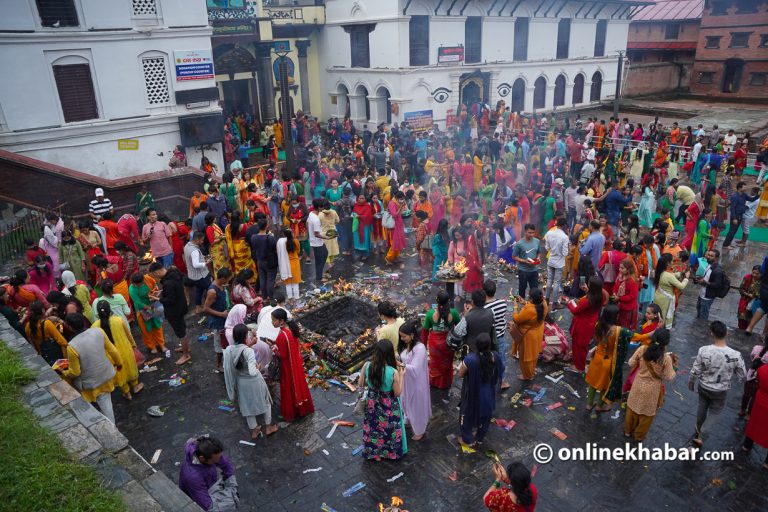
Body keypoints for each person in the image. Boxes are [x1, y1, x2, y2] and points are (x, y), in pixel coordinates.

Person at [585, 306, 651, 416]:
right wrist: (655, 331)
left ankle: (588, 404)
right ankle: (599, 406)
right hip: (609, 362)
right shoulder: (619, 331)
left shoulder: (598, 325)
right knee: (604, 386)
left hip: (597, 359)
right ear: (615, 316)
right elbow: (639, 337)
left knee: (592, 383)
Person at [688, 321, 746, 446]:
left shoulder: (704, 350)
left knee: (702, 407)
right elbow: (743, 375)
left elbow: (696, 370)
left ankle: (698, 428)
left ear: (712, 334)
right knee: (715, 412)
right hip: (721, 390)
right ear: (727, 333)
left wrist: (691, 382)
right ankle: (703, 433)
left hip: (704, 386)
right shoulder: (736, 355)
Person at [58, 313, 122, 424]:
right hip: (104, 376)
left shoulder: (72, 346)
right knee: (106, 405)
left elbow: (75, 372)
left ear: (69, 327)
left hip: (88, 383)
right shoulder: (98, 331)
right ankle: (112, 428)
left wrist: (63, 371)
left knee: (90, 409)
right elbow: (113, 351)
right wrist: (119, 363)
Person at [224, 324, 277, 440]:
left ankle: (255, 430)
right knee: (266, 402)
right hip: (254, 381)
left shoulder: (229, 350)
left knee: (247, 406)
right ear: (245, 336)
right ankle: (268, 427)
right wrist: (257, 366)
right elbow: (253, 371)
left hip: (241, 383)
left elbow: (239, 352)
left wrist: (251, 344)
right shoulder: (248, 352)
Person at [624, 328, 677, 442]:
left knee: (632, 408)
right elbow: (669, 376)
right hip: (652, 389)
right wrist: (674, 366)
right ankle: (638, 436)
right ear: (666, 343)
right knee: (646, 415)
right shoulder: (666, 358)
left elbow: (630, 363)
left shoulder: (642, 349)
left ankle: (628, 431)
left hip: (638, 384)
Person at [358, 339, 407, 460]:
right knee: (389, 429)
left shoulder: (367, 365)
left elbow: (360, 383)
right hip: (388, 405)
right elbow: (397, 393)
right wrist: (401, 376)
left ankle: (375, 453)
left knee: (373, 427)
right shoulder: (393, 372)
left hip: (372, 402)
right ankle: (389, 453)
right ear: (390, 354)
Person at [458, 333, 505, 447]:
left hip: (473, 395)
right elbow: (501, 368)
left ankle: (467, 440)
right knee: (486, 417)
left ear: (476, 345)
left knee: (467, 417)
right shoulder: (495, 356)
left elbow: (460, 374)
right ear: (489, 345)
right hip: (489, 393)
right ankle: (479, 438)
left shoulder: (470, 359)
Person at [93, 301, 143, 400]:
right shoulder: (119, 320)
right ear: (109, 310)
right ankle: (135, 386)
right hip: (125, 350)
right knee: (130, 368)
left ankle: (126, 392)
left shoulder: (94, 326)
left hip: (110, 355)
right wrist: (133, 345)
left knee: (119, 373)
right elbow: (128, 334)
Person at [271, 308, 314, 421]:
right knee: (299, 385)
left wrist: (273, 348)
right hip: (296, 363)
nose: (272, 322)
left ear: (281, 321)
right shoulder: (291, 329)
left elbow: (282, 355)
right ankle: (302, 408)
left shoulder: (282, 335)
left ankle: (293, 411)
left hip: (288, 367)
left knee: (290, 387)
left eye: (274, 320)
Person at [179, 437, 239, 512]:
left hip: (208, 483)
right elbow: (207, 505)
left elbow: (226, 465)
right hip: (196, 494)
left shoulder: (209, 451)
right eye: (214, 461)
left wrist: (232, 483)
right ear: (202, 458)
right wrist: (230, 501)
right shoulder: (192, 477)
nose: (218, 461)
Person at [398, 319, 431, 441]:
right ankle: (407, 419)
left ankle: (419, 430)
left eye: (404, 336)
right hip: (406, 380)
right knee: (405, 400)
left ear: (412, 335)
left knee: (416, 405)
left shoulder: (420, 348)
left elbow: (416, 368)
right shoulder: (406, 345)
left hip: (416, 382)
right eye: (400, 336)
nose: (402, 339)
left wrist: (400, 364)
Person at [568, 277, 607, 373]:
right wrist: (588, 291)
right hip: (591, 322)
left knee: (579, 346)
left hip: (582, 324)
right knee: (584, 345)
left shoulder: (587, 301)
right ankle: (580, 362)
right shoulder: (601, 295)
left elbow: (575, 310)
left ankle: (579, 367)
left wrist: (570, 303)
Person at [422, 291, 460, 389]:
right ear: (449, 301)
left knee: (435, 364)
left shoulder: (430, 313)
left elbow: (425, 331)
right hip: (448, 344)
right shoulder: (454, 313)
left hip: (434, 345)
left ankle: (434, 383)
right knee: (447, 365)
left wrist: (423, 345)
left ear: (437, 301)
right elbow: (460, 328)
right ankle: (444, 384)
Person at [510, 288, 547, 381]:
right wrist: (525, 303)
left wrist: (515, 307)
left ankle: (527, 375)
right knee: (534, 354)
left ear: (531, 299)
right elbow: (535, 308)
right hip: (538, 332)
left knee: (525, 357)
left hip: (528, 336)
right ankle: (531, 370)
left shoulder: (529, 310)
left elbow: (516, 319)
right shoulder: (544, 304)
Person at [129, 271, 166, 355]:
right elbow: (138, 303)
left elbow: (154, 283)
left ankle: (162, 344)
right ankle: (152, 346)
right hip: (142, 309)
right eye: (135, 284)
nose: (136, 285)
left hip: (152, 303)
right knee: (146, 328)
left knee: (157, 325)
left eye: (138, 284)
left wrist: (155, 290)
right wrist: (151, 309)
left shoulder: (146, 278)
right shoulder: (132, 289)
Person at [160, 265, 191, 365]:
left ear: (157, 272)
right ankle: (185, 348)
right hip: (181, 308)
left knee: (181, 333)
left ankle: (186, 355)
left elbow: (170, 300)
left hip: (174, 312)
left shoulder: (168, 282)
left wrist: (159, 299)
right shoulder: (175, 276)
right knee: (182, 328)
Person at [203, 268, 232, 373]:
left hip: (224, 320)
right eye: (227, 279)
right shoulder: (212, 291)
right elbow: (205, 308)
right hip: (218, 322)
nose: (228, 281)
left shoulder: (220, 285)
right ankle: (219, 364)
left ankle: (226, 361)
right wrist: (221, 314)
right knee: (220, 346)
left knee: (226, 342)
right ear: (222, 278)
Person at [742, 361, 768, 469]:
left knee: (754, 423)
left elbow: (757, 378)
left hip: (761, 401)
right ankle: (767, 462)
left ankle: (746, 446)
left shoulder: (764, 369)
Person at [24, 300, 68, 365]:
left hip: (43, 354)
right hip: (54, 354)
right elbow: (61, 341)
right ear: (42, 310)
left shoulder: (28, 326)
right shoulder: (47, 324)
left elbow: (31, 342)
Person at [653, 253, 690, 327]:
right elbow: (681, 286)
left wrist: (681, 273)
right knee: (663, 316)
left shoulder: (661, 272)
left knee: (658, 315)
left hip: (658, 296)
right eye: (672, 261)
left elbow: (674, 275)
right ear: (668, 263)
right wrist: (686, 278)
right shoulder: (668, 275)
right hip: (665, 300)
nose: (673, 263)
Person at [183, 231, 212, 313]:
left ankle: (198, 307)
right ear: (197, 239)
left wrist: (203, 257)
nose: (202, 242)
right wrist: (206, 263)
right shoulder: (194, 251)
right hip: (200, 275)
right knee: (210, 289)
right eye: (202, 240)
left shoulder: (187, 246)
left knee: (199, 290)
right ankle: (210, 306)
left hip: (192, 275)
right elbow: (195, 264)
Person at [543, 217, 569, 306]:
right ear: (565, 225)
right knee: (556, 282)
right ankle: (554, 303)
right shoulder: (565, 237)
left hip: (551, 260)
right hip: (559, 263)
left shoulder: (549, 233)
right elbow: (565, 253)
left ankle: (546, 298)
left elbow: (546, 247)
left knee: (549, 280)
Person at [249, 219, 278, 299]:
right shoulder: (270, 237)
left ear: (258, 227)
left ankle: (264, 297)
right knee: (270, 280)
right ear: (267, 226)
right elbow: (274, 247)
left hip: (259, 261)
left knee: (262, 278)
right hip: (270, 261)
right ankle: (271, 297)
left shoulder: (253, 237)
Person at [694, 249, 726, 321]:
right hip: (702, 294)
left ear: (716, 258)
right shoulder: (709, 265)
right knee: (698, 309)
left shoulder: (718, 270)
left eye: (711, 256)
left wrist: (705, 282)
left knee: (703, 315)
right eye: (708, 255)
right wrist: (700, 279)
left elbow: (717, 285)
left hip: (707, 296)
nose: (708, 257)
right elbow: (707, 278)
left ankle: (701, 329)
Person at [740, 337, 768, 418]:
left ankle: (742, 410)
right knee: (754, 398)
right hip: (760, 379)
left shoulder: (756, 348)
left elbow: (752, 357)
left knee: (746, 395)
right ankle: (749, 415)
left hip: (750, 377)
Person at [511, 224, 541, 298]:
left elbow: (539, 252)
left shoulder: (537, 241)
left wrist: (539, 258)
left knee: (535, 290)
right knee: (522, 289)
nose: (531, 235)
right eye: (529, 233)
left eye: (533, 233)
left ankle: (533, 305)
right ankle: (522, 305)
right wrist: (524, 261)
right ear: (525, 232)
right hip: (523, 271)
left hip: (534, 270)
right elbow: (514, 256)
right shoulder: (519, 244)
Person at [225, 211, 254, 275]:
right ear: (239, 218)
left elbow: (227, 239)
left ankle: (239, 276)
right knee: (247, 263)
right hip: (243, 247)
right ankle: (249, 277)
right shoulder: (244, 226)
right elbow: (247, 236)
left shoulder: (228, 228)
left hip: (234, 248)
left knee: (237, 264)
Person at [307, 198, 329, 285]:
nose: (323, 209)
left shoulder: (311, 213)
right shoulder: (316, 219)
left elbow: (307, 223)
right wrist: (326, 237)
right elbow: (316, 234)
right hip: (317, 242)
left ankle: (319, 275)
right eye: (322, 207)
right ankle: (319, 278)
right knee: (321, 259)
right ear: (319, 207)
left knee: (322, 256)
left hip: (314, 241)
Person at [614, 259, 639, 329]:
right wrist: (614, 293)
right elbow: (615, 285)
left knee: (625, 326)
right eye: (619, 267)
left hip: (628, 307)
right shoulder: (620, 275)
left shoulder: (632, 281)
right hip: (620, 305)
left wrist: (619, 298)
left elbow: (632, 296)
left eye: (622, 268)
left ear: (628, 269)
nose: (619, 269)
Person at [385, 191, 408, 264]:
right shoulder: (392, 203)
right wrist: (400, 206)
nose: (402, 200)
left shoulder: (397, 202)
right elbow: (394, 215)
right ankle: (388, 258)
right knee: (394, 242)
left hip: (399, 224)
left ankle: (396, 256)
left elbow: (400, 213)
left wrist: (402, 206)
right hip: (393, 225)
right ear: (398, 198)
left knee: (399, 241)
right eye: (401, 198)